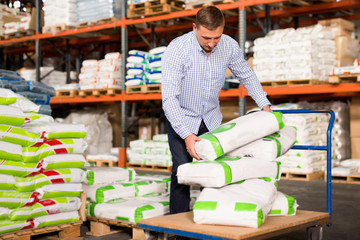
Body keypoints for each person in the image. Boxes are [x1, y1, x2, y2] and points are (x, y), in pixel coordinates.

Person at [161, 5, 272, 214]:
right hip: (182, 118)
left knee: (212, 174)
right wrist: (186, 134)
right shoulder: (177, 50)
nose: (211, 43)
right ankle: (176, 230)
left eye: (216, 38)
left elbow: (246, 75)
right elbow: (169, 99)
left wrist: (264, 105)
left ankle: (209, 219)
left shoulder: (228, 46)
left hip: (211, 119)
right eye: (206, 38)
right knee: (182, 173)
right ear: (194, 27)